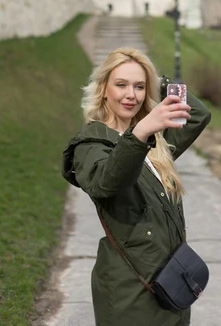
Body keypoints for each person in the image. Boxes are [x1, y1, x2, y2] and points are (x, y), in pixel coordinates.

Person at [62, 47, 211, 326]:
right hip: (130, 289)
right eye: (121, 84)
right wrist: (140, 132)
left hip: (171, 282)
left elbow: (198, 115)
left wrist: (160, 81)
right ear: (104, 89)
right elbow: (106, 182)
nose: (131, 94)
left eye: (139, 86)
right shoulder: (91, 143)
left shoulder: (156, 141)